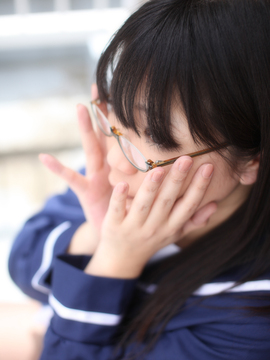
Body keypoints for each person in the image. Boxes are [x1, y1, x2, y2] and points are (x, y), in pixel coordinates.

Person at [8, 0, 270, 359]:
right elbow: (23, 265)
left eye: (158, 138)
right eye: (118, 114)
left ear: (253, 158)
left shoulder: (252, 318)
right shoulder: (126, 168)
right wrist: (96, 232)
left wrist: (116, 259)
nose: (115, 159)